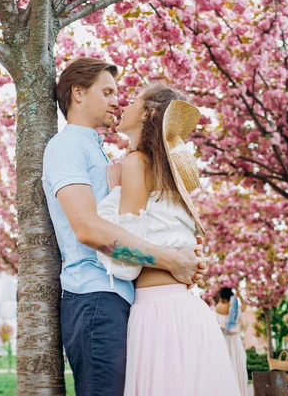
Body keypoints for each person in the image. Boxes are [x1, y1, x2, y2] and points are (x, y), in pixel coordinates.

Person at [42, 57, 208, 396]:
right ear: (77, 93)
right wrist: (170, 259)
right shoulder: (67, 146)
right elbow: (87, 228)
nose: (117, 101)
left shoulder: (101, 153)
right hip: (94, 296)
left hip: (120, 296)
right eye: (107, 92)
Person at [97, 81, 240, 396]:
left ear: (147, 113)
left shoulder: (136, 164)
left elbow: (124, 262)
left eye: (134, 99)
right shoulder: (165, 176)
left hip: (157, 313)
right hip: (187, 311)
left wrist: (115, 191)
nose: (124, 103)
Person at [215, 287, 249, 396]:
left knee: (225, 365)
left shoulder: (218, 307)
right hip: (235, 340)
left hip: (224, 340)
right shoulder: (235, 308)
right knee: (238, 364)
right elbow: (244, 305)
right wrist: (239, 295)